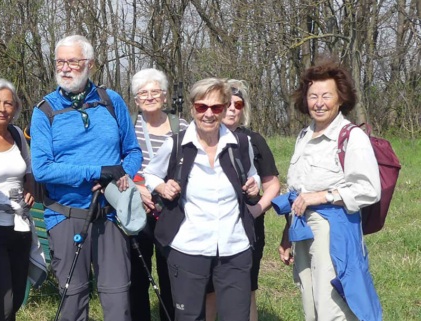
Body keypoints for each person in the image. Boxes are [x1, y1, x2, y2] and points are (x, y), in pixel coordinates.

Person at [29, 35, 142, 321]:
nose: (65, 68)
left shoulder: (110, 100)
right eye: (60, 62)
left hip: (110, 215)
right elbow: (42, 169)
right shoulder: (45, 110)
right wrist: (98, 171)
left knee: (118, 300)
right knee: (73, 299)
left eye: (73, 61)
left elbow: (132, 151)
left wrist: (121, 175)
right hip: (66, 216)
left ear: (89, 64)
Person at [144, 77, 261, 321]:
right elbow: (151, 174)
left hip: (234, 247)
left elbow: (253, 176)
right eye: (201, 107)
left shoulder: (240, 143)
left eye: (216, 107)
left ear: (225, 107)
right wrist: (163, 187)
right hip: (188, 248)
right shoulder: (176, 144)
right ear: (192, 108)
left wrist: (253, 186)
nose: (208, 114)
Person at [279, 59, 381, 320]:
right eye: (313, 96)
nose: (319, 102)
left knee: (331, 306)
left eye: (327, 95)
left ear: (340, 99)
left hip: (334, 229)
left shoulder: (351, 136)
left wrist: (322, 196)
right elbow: (297, 190)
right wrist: (287, 234)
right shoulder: (304, 135)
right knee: (310, 301)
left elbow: (369, 189)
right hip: (302, 227)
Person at [204, 79, 281, 321]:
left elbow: (273, 184)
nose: (232, 109)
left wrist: (257, 209)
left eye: (238, 104)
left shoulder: (254, 140)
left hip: (246, 229)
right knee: (209, 290)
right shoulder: (202, 139)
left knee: (246, 289)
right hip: (208, 227)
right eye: (227, 104)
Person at [0, 79, 47, 321]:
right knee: (3, 304)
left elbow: (28, 170)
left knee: (15, 301)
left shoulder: (16, 134)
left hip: (21, 226)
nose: (2, 108)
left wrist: (30, 188)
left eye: (8, 103)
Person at [127, 68, 186, 321]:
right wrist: (137, 188)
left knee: (170, 274)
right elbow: (118, 164)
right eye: (143, 93)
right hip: (135, 207)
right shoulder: (127, 126)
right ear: (136, 99)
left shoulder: (181, 126)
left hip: (172, 210)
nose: (149, 97)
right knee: (138, 275)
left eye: (155, 92)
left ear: (164, 97)